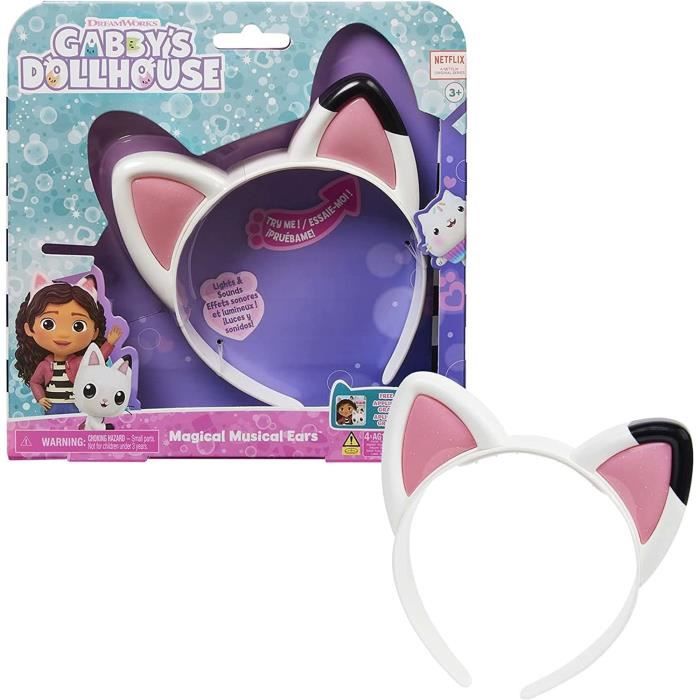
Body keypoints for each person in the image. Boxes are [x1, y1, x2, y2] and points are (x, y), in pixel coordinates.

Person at [14, 273, 122, 414]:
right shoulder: (44, 365)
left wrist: (110, 343)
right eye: (48, 324)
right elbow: (35, 382)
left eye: (78, 326)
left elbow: (97, 358)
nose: (63, 334)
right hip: (52, 408)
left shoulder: (79, 362)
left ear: (94, 332)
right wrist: (40, 398)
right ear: (29, 329)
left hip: (77, 406)